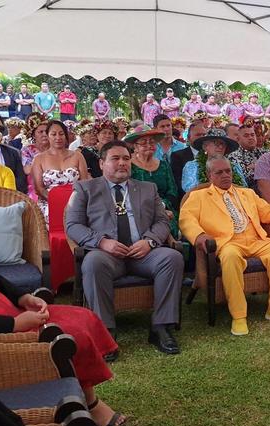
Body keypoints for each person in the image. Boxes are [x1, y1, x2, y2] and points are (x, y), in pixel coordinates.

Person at [0, 186, 126, 426]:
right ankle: (91, 403)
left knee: (84, 317)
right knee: (73, 333)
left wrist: (23, 297)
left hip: (10, 310)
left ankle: (83, 394)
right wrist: (15, 324)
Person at [66, 141, 183, 353]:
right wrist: (102, 242)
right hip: (107, 255)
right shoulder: (85, 188)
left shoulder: (148, 189)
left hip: (143, 254)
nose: (122, 163)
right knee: (92, 262)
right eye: (115, 158)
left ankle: (161, 327)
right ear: (101, 163)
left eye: (126, 159)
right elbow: (72, 226)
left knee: (172, 257)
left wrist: (149, 242)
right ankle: (106, 331)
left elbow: (162, 222)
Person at [180, 155, 270, 336]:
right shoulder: (198, 196)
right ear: (209, 175)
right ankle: (239, 315)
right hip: (226, 242)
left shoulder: (247, 193)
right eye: (219, 172)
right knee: (231, 256)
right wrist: (200, 236)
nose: (226, 175)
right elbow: (186, 220)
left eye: (228, 171)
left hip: (256, 240)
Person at [125, 125, 180, 238]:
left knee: (172, 226)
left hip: (165, 209)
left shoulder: (163, 165)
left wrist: (162, 206)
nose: (149, 145)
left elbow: (172, 191)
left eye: (152, 142)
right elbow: (126, 192)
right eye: (144, 143)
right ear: (135, 147)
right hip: (138, 211)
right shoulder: (129, 166)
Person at [31, 120, 90, 224]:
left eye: (61, 134)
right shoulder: (39, 159)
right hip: (49, 205)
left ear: (66, 136)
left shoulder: (77, 156)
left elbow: (84, 183)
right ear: (48, 136)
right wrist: (57, 201)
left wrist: (73, 203)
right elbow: (39, 189)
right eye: (53, 134)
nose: (58, 137)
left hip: (76, 204)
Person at [182, 128, 246, 192]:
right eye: (216, 143)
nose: (221, 147)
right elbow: (190, 190)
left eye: (223, 144)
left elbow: (244, 188)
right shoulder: (193, 166)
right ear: (205, 146)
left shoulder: (234, 166)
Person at [170, 120, 207, 200]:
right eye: (198, 135)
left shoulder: (211, 155)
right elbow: (177, 184)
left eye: (204, 134)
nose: (202, 138)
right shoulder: (178, 156)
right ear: (189, 138)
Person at [228, 123, 269, 190]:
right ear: (238, 139)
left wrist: (254, 166)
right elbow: (242, 179)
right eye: (246, 136)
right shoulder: (233, 156)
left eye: (252, 135)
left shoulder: (265, 153)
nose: (250, 138)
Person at [20, 113, 50, 201]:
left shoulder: (55, 148)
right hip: (34, 187)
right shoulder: (27, 150)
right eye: (40, 132)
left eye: (47, 131)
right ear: (33, 135)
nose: (44, 134)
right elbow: (27, 170)